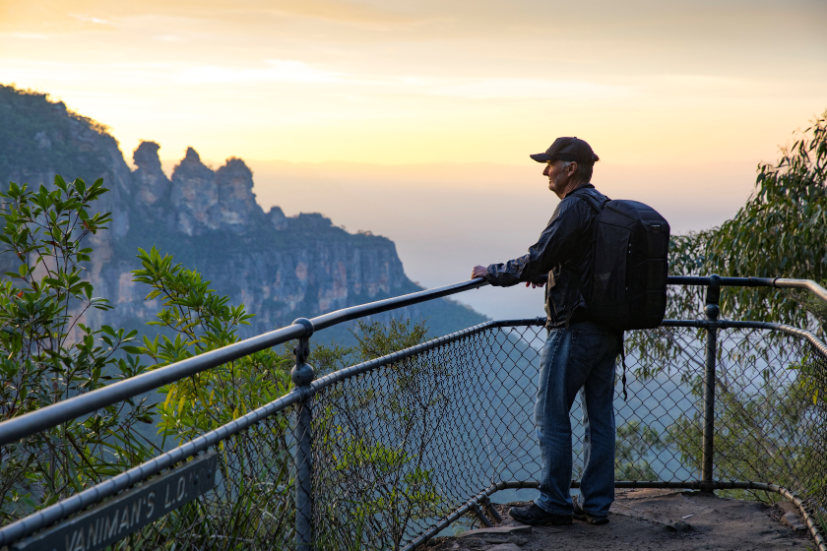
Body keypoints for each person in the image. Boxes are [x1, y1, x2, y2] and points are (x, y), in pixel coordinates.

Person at [471, 137, 622, 526]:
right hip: (607, 328)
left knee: (551, 414)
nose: (545, 170)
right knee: (599, 418)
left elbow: (541, 254)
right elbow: (570, 259)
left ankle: (554, 503)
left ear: (571, 168)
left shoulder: (572, 206)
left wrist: (495, 272)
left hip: (574, 327)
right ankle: (595, 505)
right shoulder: (601, 204)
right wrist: (547, 272)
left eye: (551, 163)